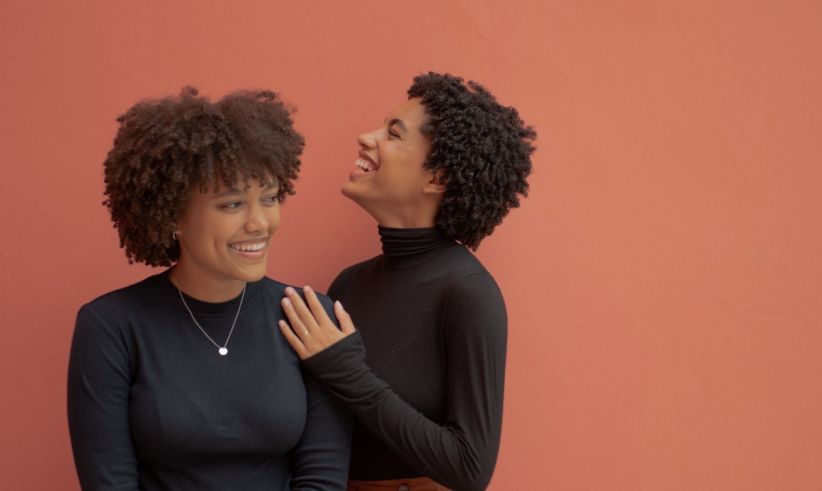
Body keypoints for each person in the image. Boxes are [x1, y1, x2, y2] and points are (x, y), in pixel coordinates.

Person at [67, 87, 351, 490]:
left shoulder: (307, 317)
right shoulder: (111, 326)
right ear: (172, 216)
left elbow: (322, 479)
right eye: (232, 204)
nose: (259, 223)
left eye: (269, 198)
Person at [279, 72, 536, 491]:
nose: (366, 137)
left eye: (392, 134)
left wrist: (346, 370)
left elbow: (470, 469)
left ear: (436, 178)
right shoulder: (348, 284)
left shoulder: (467, 292)